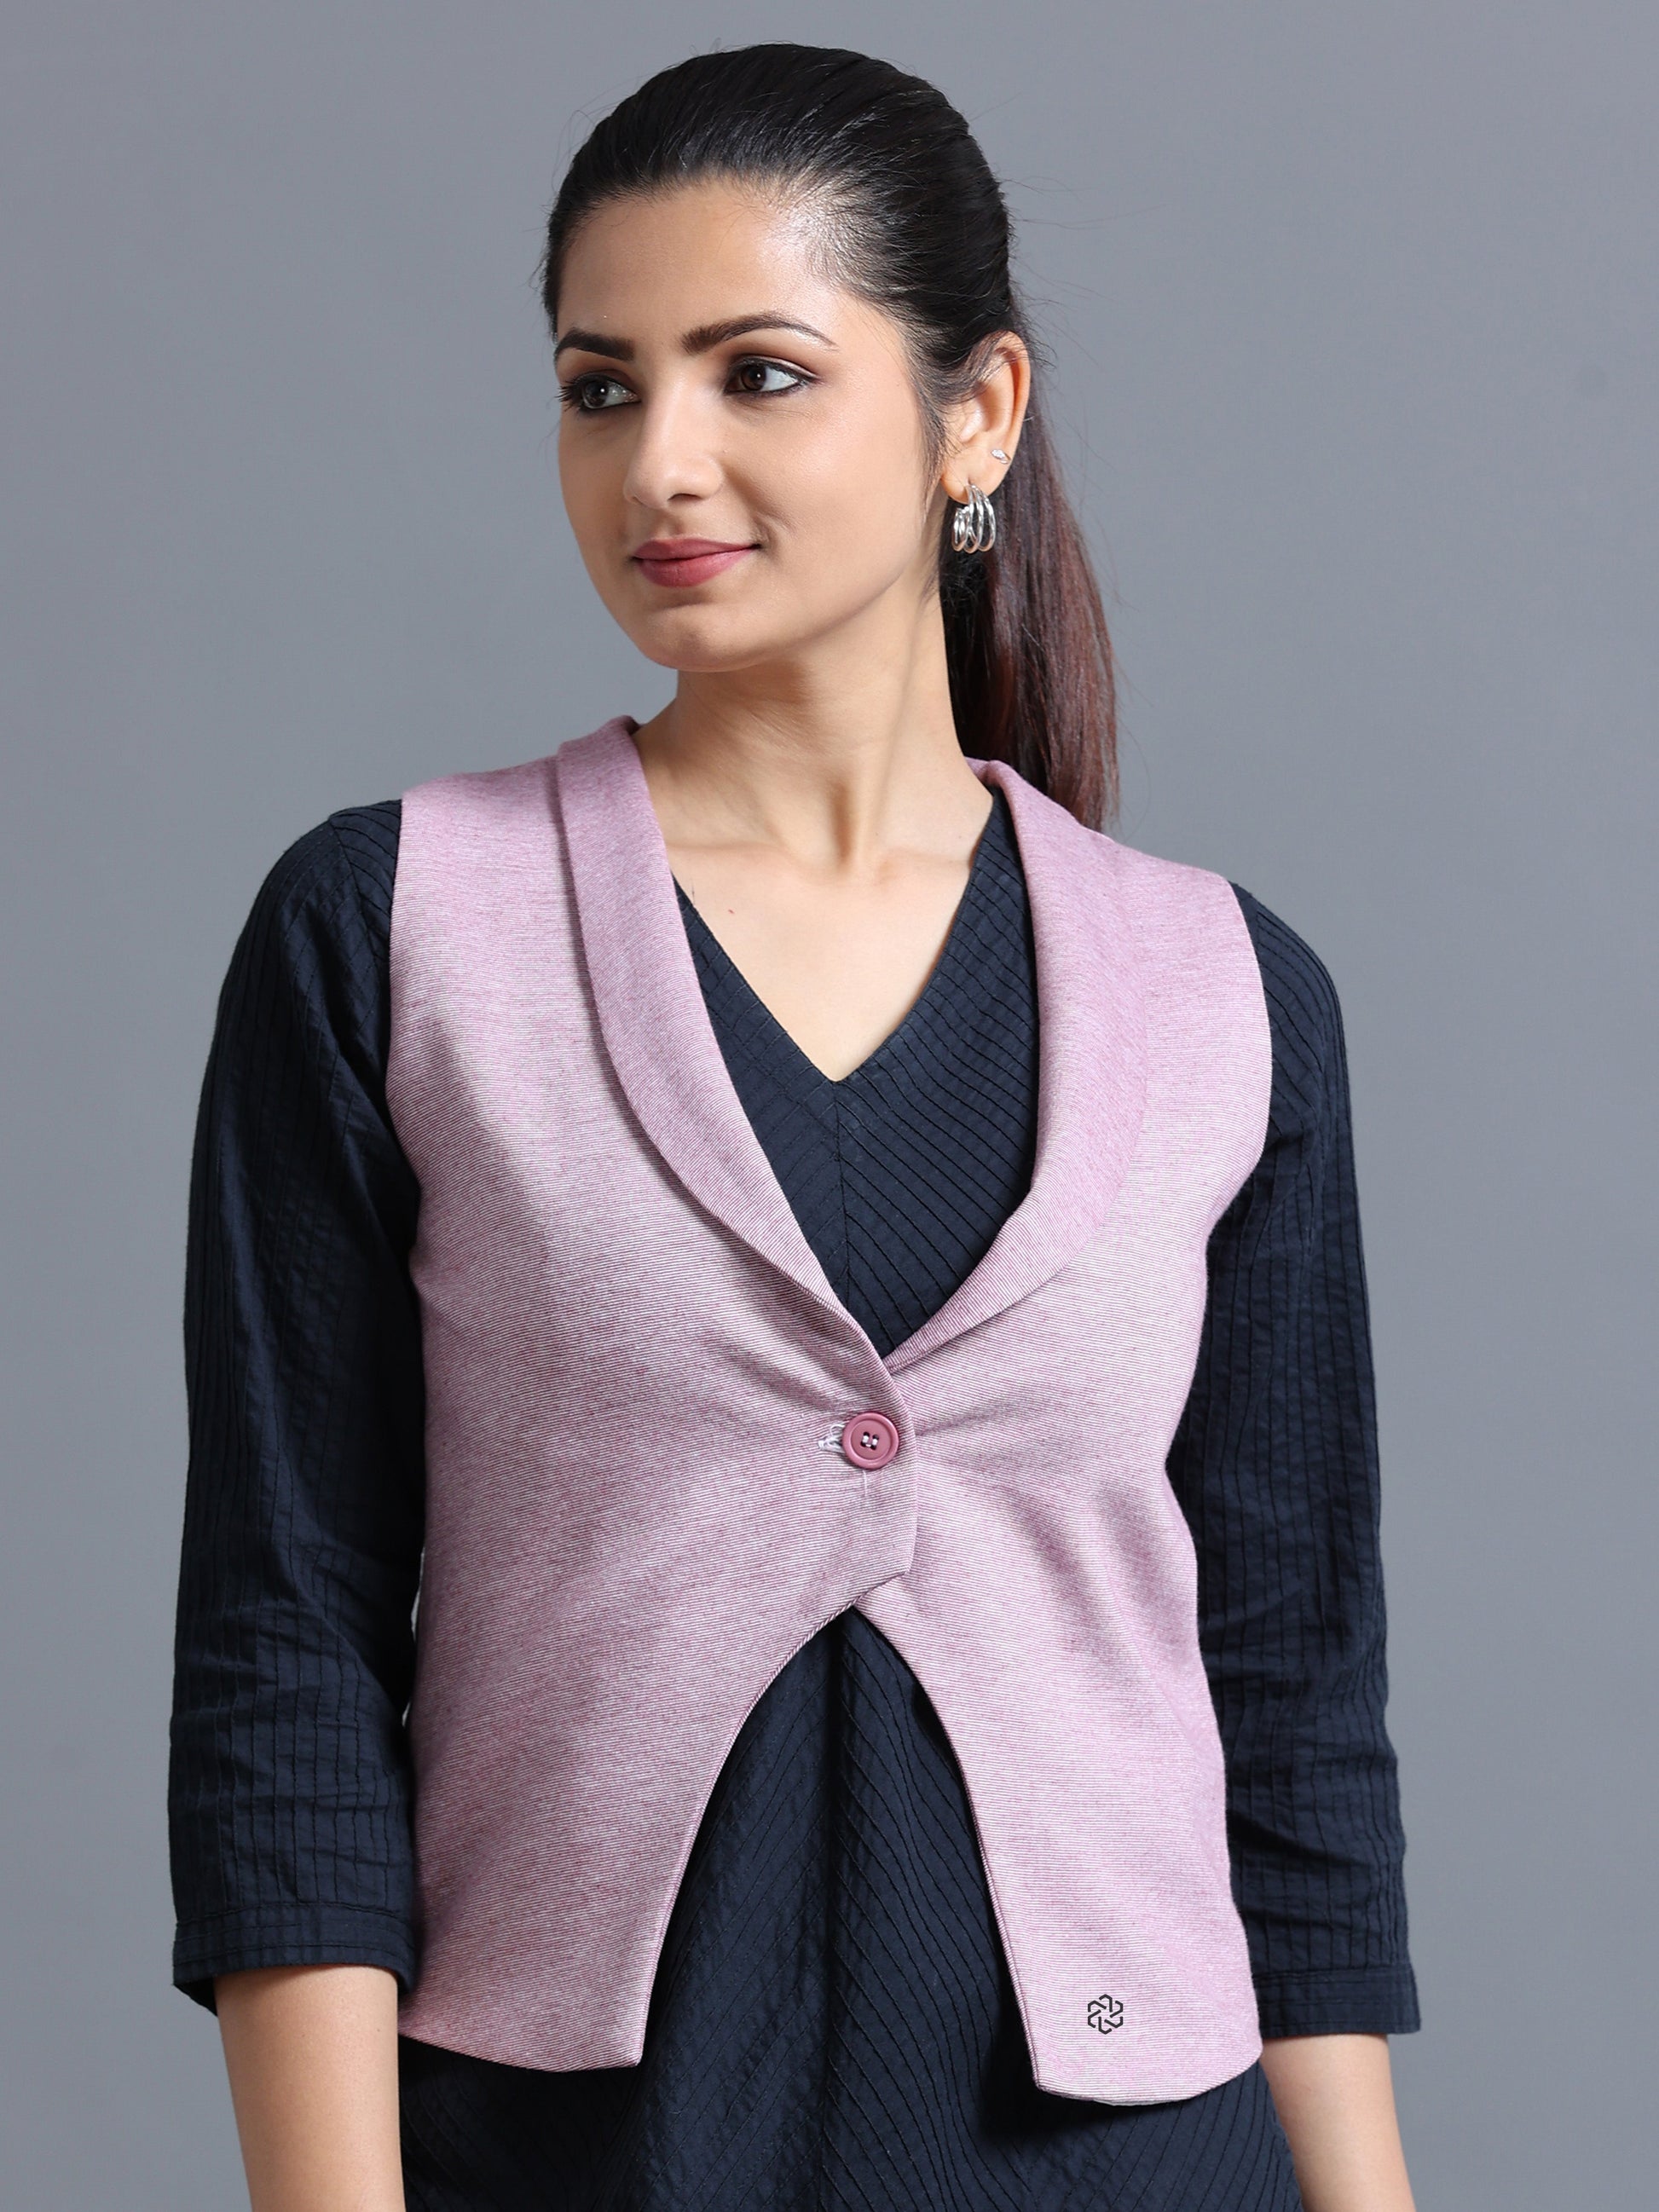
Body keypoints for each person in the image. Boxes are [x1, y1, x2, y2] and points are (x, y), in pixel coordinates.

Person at [169, 43, 1420, 2212]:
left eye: (756, 373)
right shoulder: (393, 929)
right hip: (571, 2155)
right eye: (599, 387)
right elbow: (289, 1644)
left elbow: (1290, 1703)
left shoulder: (1225, 992)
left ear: (976, 413)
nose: (659, 461)